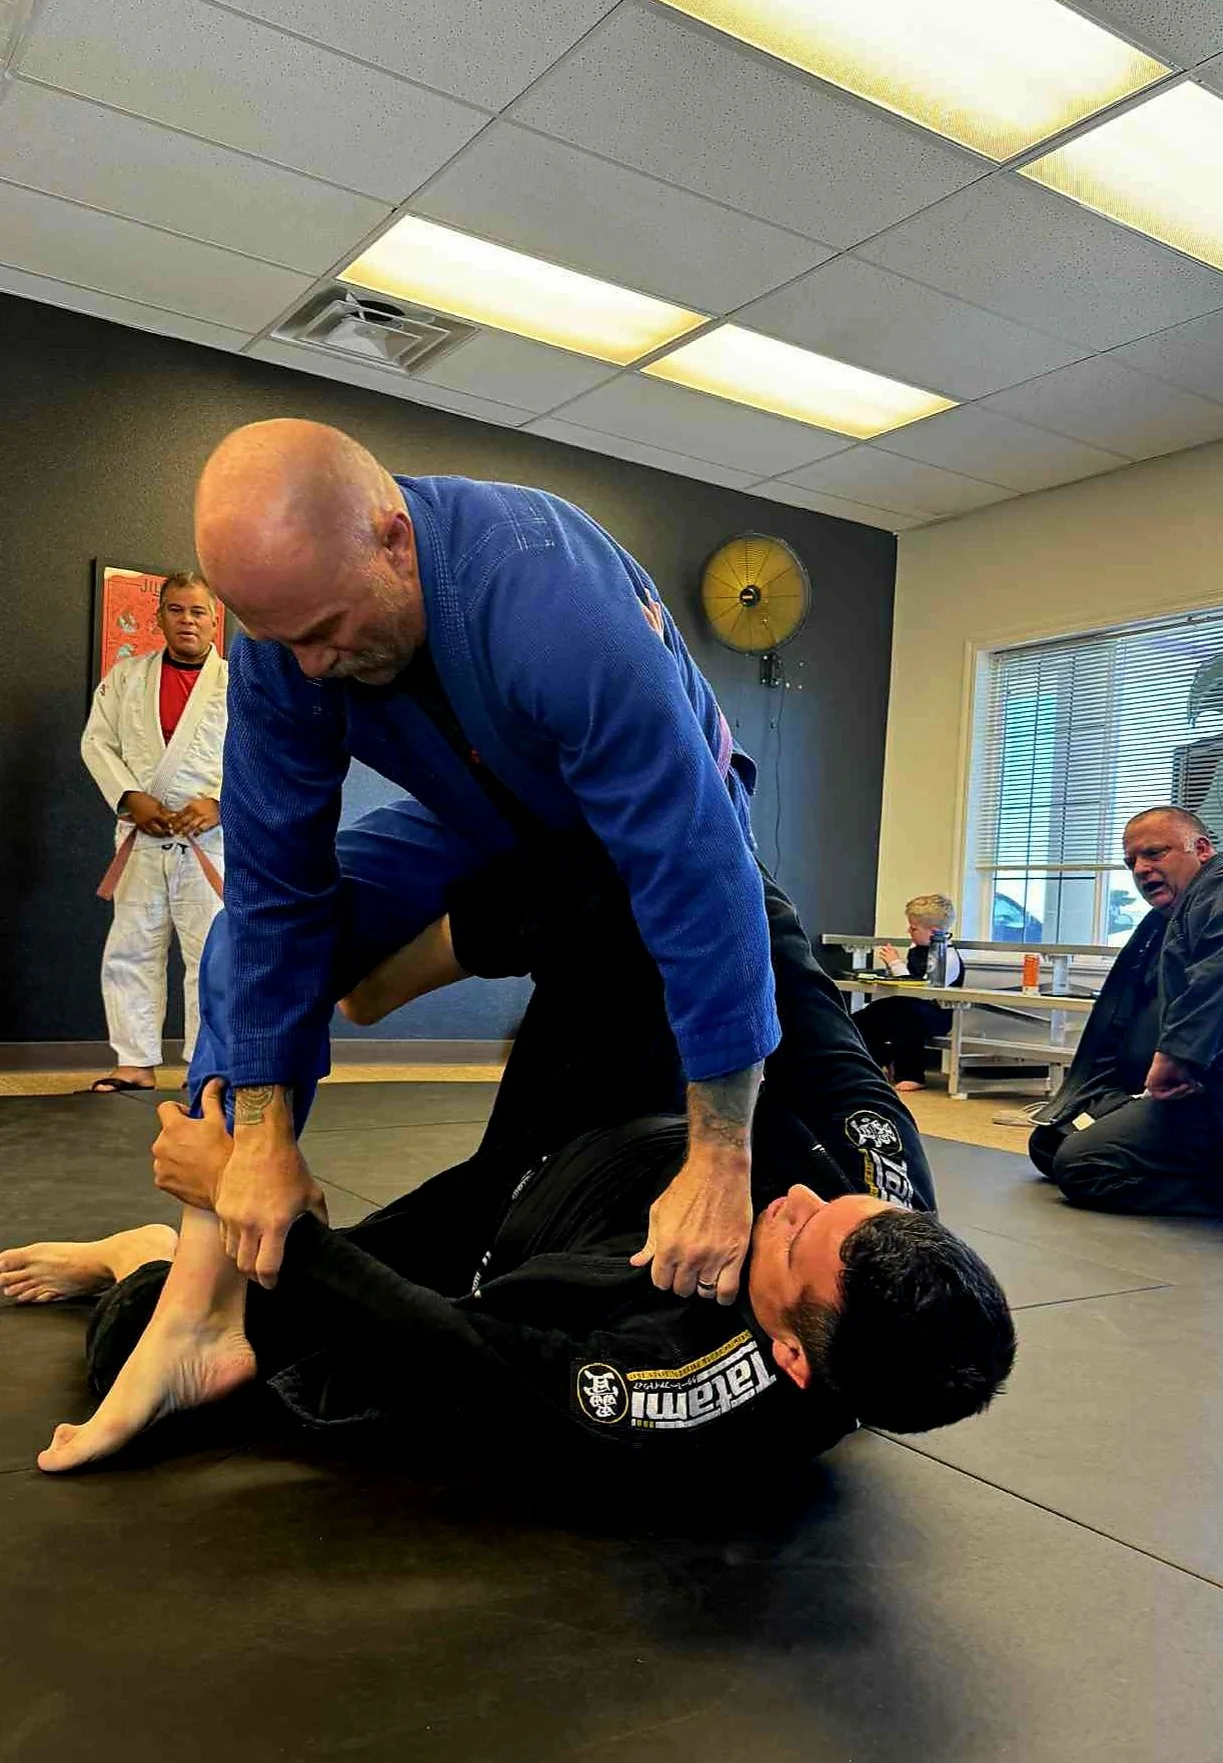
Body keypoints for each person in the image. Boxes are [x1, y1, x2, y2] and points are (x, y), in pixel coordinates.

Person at [6, 848, 1015, 1477]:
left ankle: (128, 1252)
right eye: (829, 1203)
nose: (795, 1195)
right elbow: (776, 946)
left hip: (505, 1224)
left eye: (796, 1232)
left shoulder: (696, 1394)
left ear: (791, 1351)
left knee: (148, 1334)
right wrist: (698, 821)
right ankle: (382, 985)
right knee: (659, 863)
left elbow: (461, 1345)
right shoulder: (877, 1179)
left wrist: (264, 1214)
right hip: (633, 1107)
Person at [192, 419, 781, 1302]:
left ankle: (420, 965)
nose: (310, 665)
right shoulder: (285, 650)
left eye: (324, 629)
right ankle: (207, 1272)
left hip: (644, 818)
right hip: (479, 811)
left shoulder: (551, 601)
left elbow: (694, 870)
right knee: (238, 943)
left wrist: (720, 1159)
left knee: (626, 1022)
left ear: (394, 542)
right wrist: (263, 1130)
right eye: (282, 641)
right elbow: (276, 885)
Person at [1029, 806, 1223, 1218]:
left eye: (1154, 853)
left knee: (1083, 1167)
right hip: (1173, 1094)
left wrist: (1178, 1058)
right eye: (1131, 862)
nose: (1141, 869)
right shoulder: (1169, 919)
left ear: (1201, 849)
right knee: (1049, 1140)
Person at [80, 572, 226, 1094]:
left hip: (207, 840)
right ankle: (134, 1062)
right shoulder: (125, 678)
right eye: (176, 610)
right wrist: (129, 797)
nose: (187, 620)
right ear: (159, 616)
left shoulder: (236, 684)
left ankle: (204, 1063)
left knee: (210, 952)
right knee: (132, 946)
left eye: (197, 612)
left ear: (215, 620)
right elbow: (97, 743)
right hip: (141, 835)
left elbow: (258, 755)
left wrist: (219, 803)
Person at [852, 894, 965, 1092]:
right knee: (867, 1016)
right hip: (909, 1006)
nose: (909, 932)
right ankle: (877, 1060)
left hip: (937, 1013)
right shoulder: (917, 948)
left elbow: (923, 989)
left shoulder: (947, 957)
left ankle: (912, 1074)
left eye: (914, 929)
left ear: (934, 932)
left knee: (905, 1016)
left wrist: (896, 964)